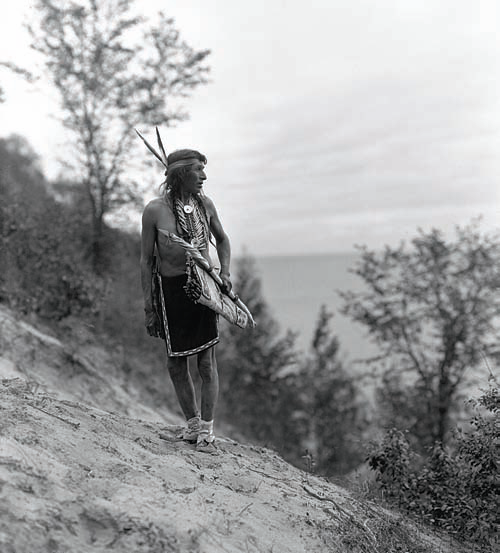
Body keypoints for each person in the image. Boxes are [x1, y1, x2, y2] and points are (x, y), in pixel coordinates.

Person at [140, 148, 232, 454]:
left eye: (204, 170)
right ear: (180, 174)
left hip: (202, 287)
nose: (204, 176)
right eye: (197, 170)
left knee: (206, 362)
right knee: (176, 363)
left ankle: (207, 430)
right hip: (170, 291)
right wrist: (149, 305)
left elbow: (223, 239)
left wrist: (226, 273)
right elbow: (145, 261)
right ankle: (192, 425)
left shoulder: (205, 205)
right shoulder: (154, 211)